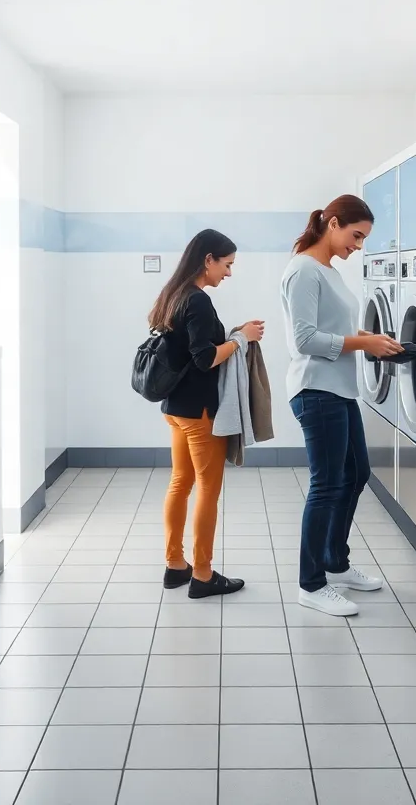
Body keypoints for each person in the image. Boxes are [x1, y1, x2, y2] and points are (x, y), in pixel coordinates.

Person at [280, 196, 402, 616]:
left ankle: (335, 561)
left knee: (356, 473)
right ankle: (310, 584)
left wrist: (374, 340)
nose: (359, 246)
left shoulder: (327, 271)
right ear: (332, 223)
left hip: (340, 390)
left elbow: (336, 328)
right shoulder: (303, 271)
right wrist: (361, 343)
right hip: (316, 390)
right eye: (356, 236)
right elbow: (304, 339)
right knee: (328, 484)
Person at [149, 228, 264, 599]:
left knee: (180, 483)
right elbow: (204, 359)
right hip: (199, 413)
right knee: (208, 490)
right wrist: (242, 337)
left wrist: (231, 336)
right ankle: (202, 574)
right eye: (226, 265)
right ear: (208, 260)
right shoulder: (197, 300)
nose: (228, 273)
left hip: (175, 409)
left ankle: (175, 565)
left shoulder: (174, 294)